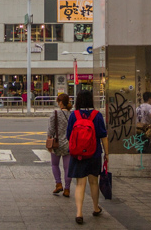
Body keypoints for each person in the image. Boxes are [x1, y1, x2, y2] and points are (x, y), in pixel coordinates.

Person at [66, 89, 109, 225]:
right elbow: (103, 136)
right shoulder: (97, 115)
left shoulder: (74, 115)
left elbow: (69, 136)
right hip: (94, 153)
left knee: (80, 183)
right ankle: (96, 208)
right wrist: (107, 154)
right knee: (93, 182)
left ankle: (79, 212)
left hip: (78, 155)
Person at [48, 92, 72, 197]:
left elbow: (50, 130)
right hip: (68, 144)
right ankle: (67, 189)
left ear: (61, 102)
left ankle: (58, 184)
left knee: (54, 164)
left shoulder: (55, 114)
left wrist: (48, 140)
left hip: (56, 144)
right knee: (67, 168)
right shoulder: (72, 115)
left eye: (58, 101)